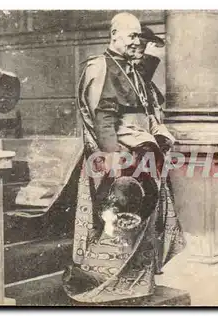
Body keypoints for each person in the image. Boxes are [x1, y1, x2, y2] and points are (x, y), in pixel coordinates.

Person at [62, 12, 184, 304]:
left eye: (139, 36)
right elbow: (103, 119)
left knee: (142, 221)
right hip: (120, 159)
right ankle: (105, 279)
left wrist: (160, 133)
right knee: (118, 222)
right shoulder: (101, 67)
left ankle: (136, 280)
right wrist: (114, 161)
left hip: (144, 155)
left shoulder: (133, 70)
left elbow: (146, 112)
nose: (136, 41)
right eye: (131, 35)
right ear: (114, 34)